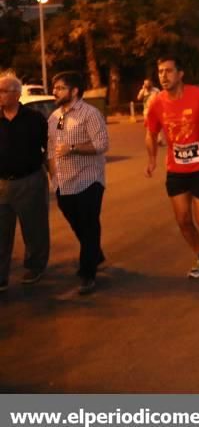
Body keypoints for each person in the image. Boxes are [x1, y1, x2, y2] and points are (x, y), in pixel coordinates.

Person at [145, 56, 199, 278]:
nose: (163, 76)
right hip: (176, 169)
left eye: (168, 71)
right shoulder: (156, 102)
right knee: (183, 219)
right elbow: (151, 132)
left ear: (180, 73)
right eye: (160, 72)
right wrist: (152, 159)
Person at [48, 71, 109, 295]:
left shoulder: (90, 114)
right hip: (64, 184)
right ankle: (95, 255)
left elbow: (102, 145)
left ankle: (87, 273)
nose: (55, 91)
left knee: (89, 224)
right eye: (54, 88)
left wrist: (72, 148)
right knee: (77, 224)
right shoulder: (56, 117)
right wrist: (53, 176)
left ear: (74, 91)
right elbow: (51, 146)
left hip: (88, 180)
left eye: (60, 88)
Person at [0, 73, 49, 292]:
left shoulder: (34, 118)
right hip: (1, 184)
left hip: (29, 181)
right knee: (2, 232)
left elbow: (47, 148)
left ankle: (35, 266)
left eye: (3, 91)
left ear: (16, 93)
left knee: (34, 228)